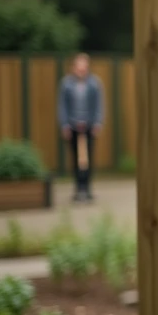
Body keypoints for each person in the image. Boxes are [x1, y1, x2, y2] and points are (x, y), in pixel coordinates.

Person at [57, 52, 104, 202]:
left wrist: (97, 122)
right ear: (74, 67)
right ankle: (78, 189)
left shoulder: (94, 83)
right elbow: (62, 106)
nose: (81, 69)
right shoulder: (66, 84)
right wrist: (64, 124)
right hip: (73, 125)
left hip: (89, 125)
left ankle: (88, 189)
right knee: (75, 158)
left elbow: (99, 105)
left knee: (88, 157)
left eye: (84, 66)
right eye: (79, 66)